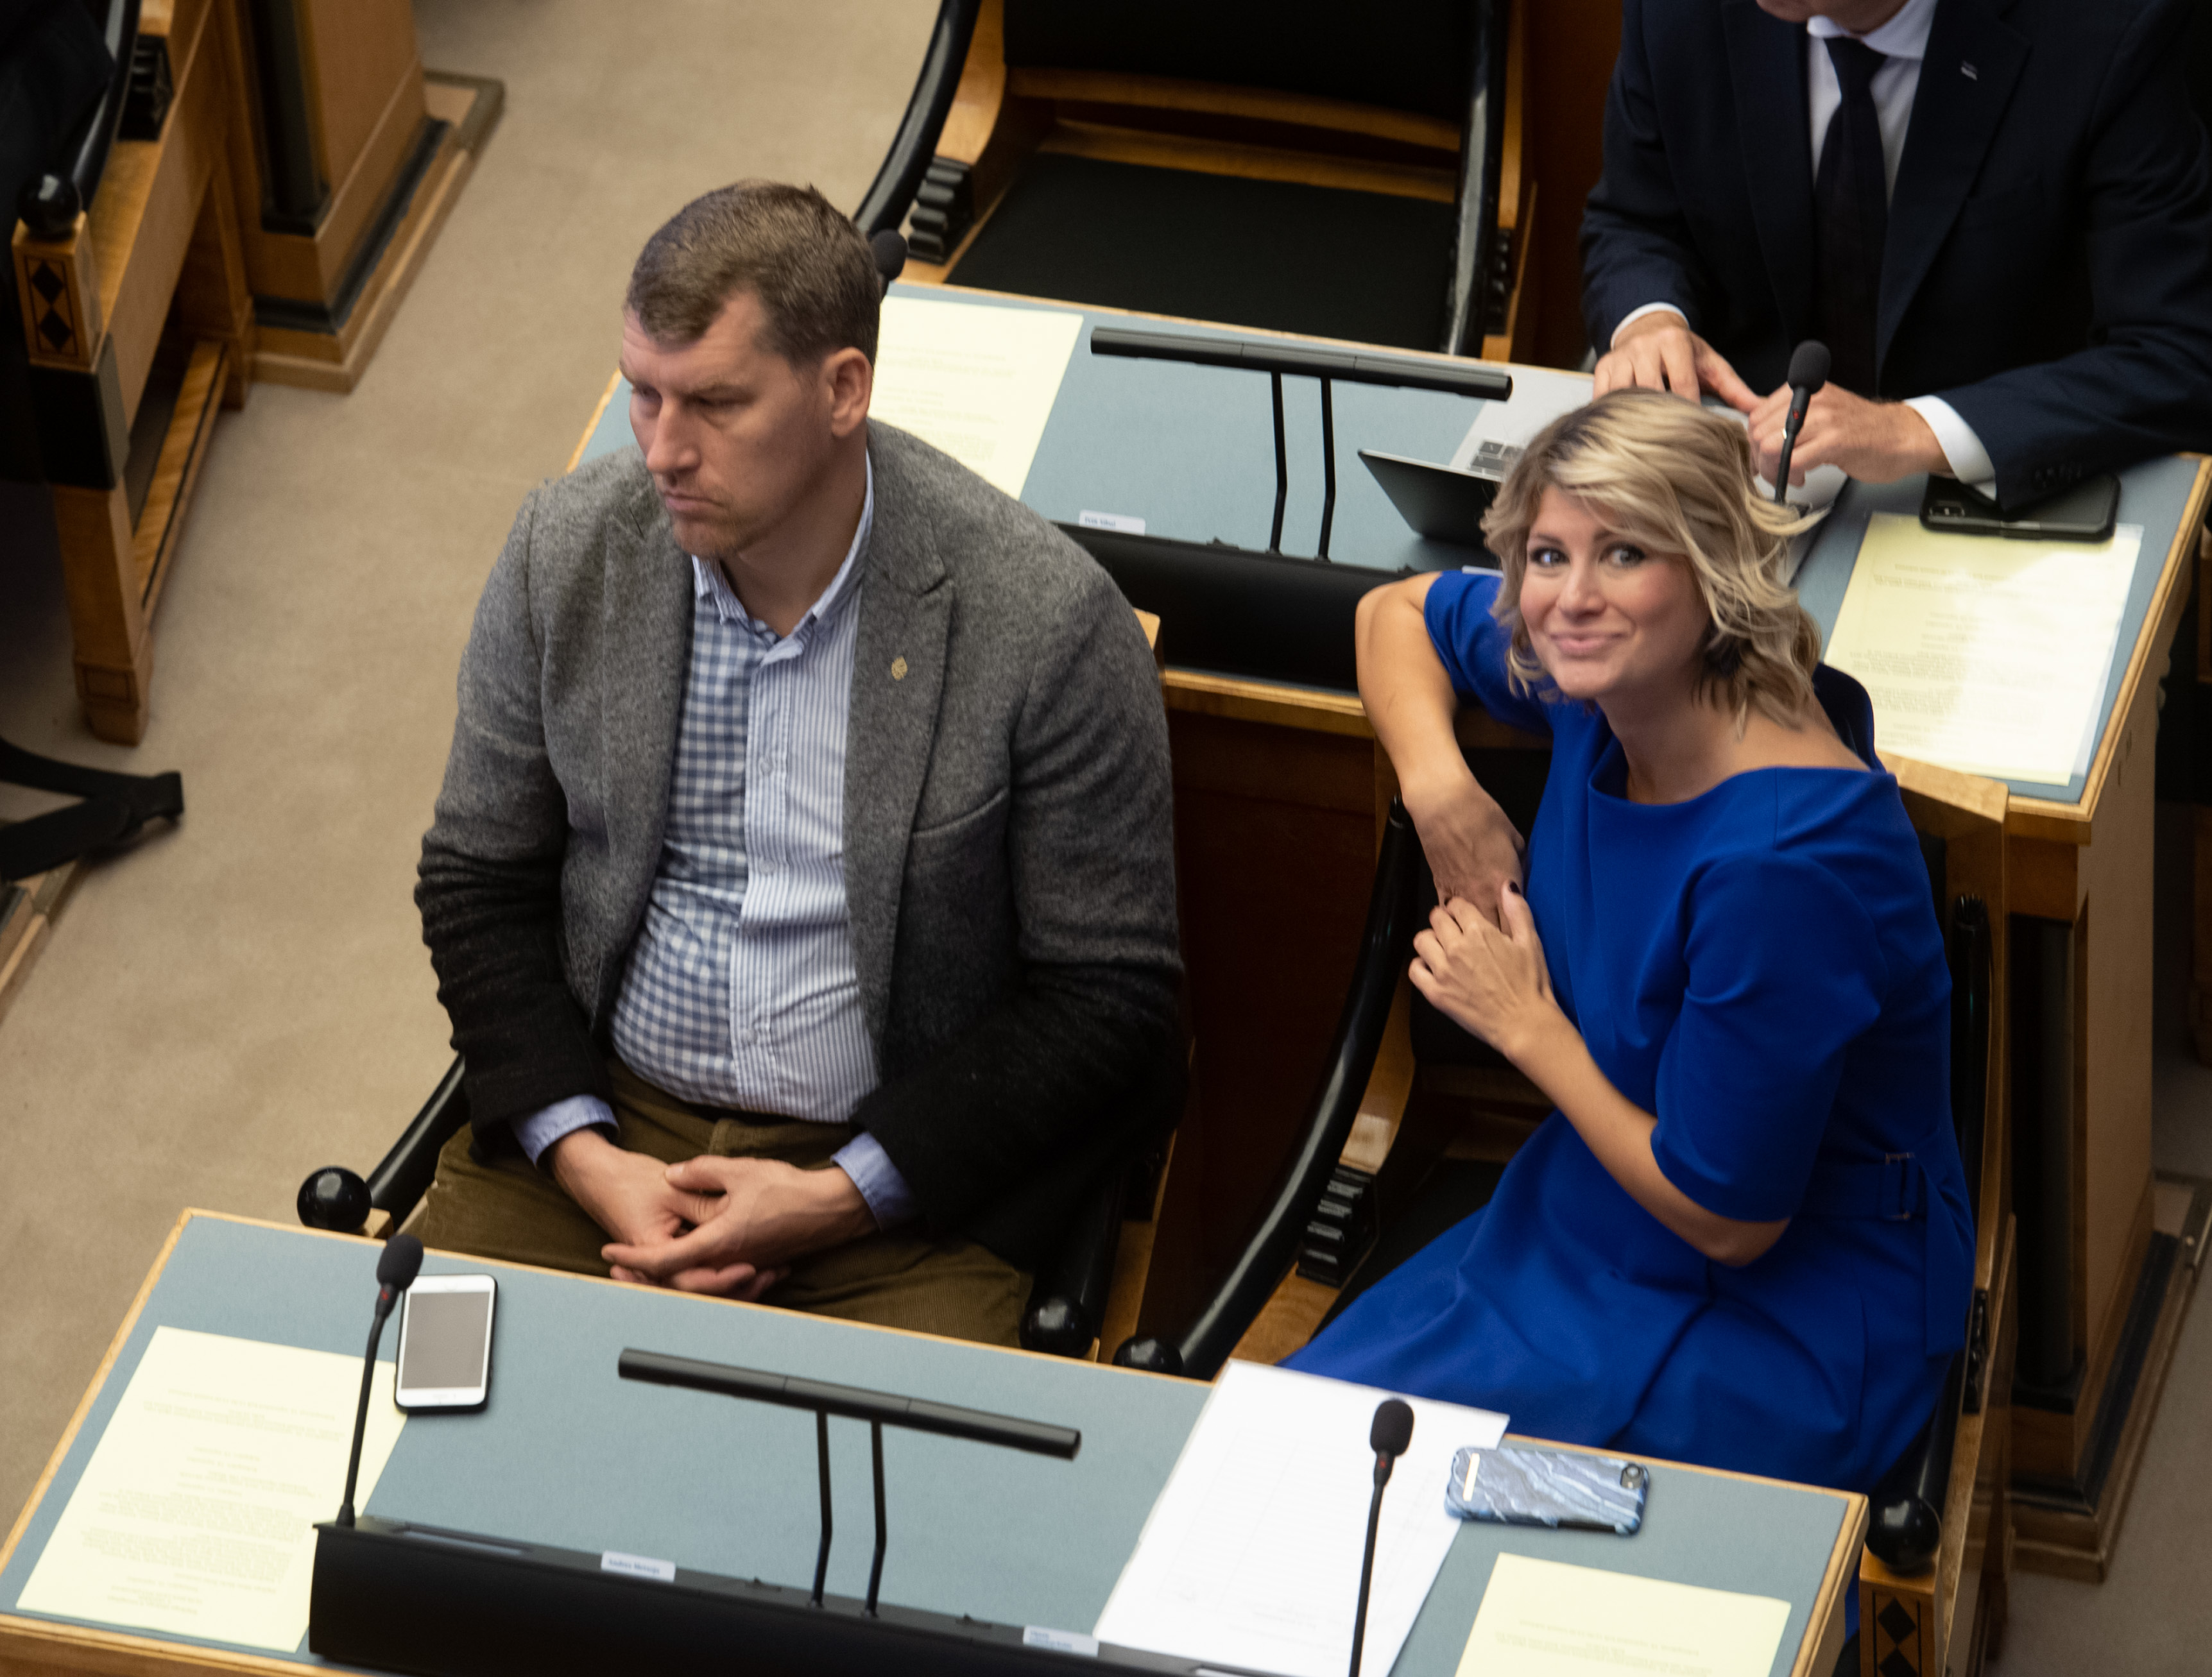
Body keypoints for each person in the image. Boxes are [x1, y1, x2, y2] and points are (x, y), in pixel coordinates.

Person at [411, 182, 1182, 1346]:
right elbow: (477, 876)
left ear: (841, 389)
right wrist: (584, 1153)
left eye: (716, 403)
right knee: (423, 1433)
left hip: (903, 1175)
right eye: (643, 393)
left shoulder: (1046, 621)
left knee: (871, 1468)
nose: (662, 449)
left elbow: (1107, 996)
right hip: (606, 1131)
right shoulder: (561, 551)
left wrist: (839, 1195)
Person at [1287, 391, 1974, 1499]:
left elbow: (1732, 1218)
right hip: (1595, 1209)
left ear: (1711, 570)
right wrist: (1438, 787)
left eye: (1623, 553)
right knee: (1300, 1462)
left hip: (1784, 1314)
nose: (1571, 597)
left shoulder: (1781, 865)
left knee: (1449, 1516)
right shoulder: (1601, 687)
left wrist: (1524, 1023)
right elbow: (1394, 614)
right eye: (1546, 555)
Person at [1581, 0, 2212, 509]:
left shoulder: (2110, 27)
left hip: (1997, 495)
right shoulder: (1676, 14)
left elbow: (2175, 353)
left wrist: (1916, 430)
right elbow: (1635, 221)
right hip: (1739, 484)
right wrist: (1650, 319)